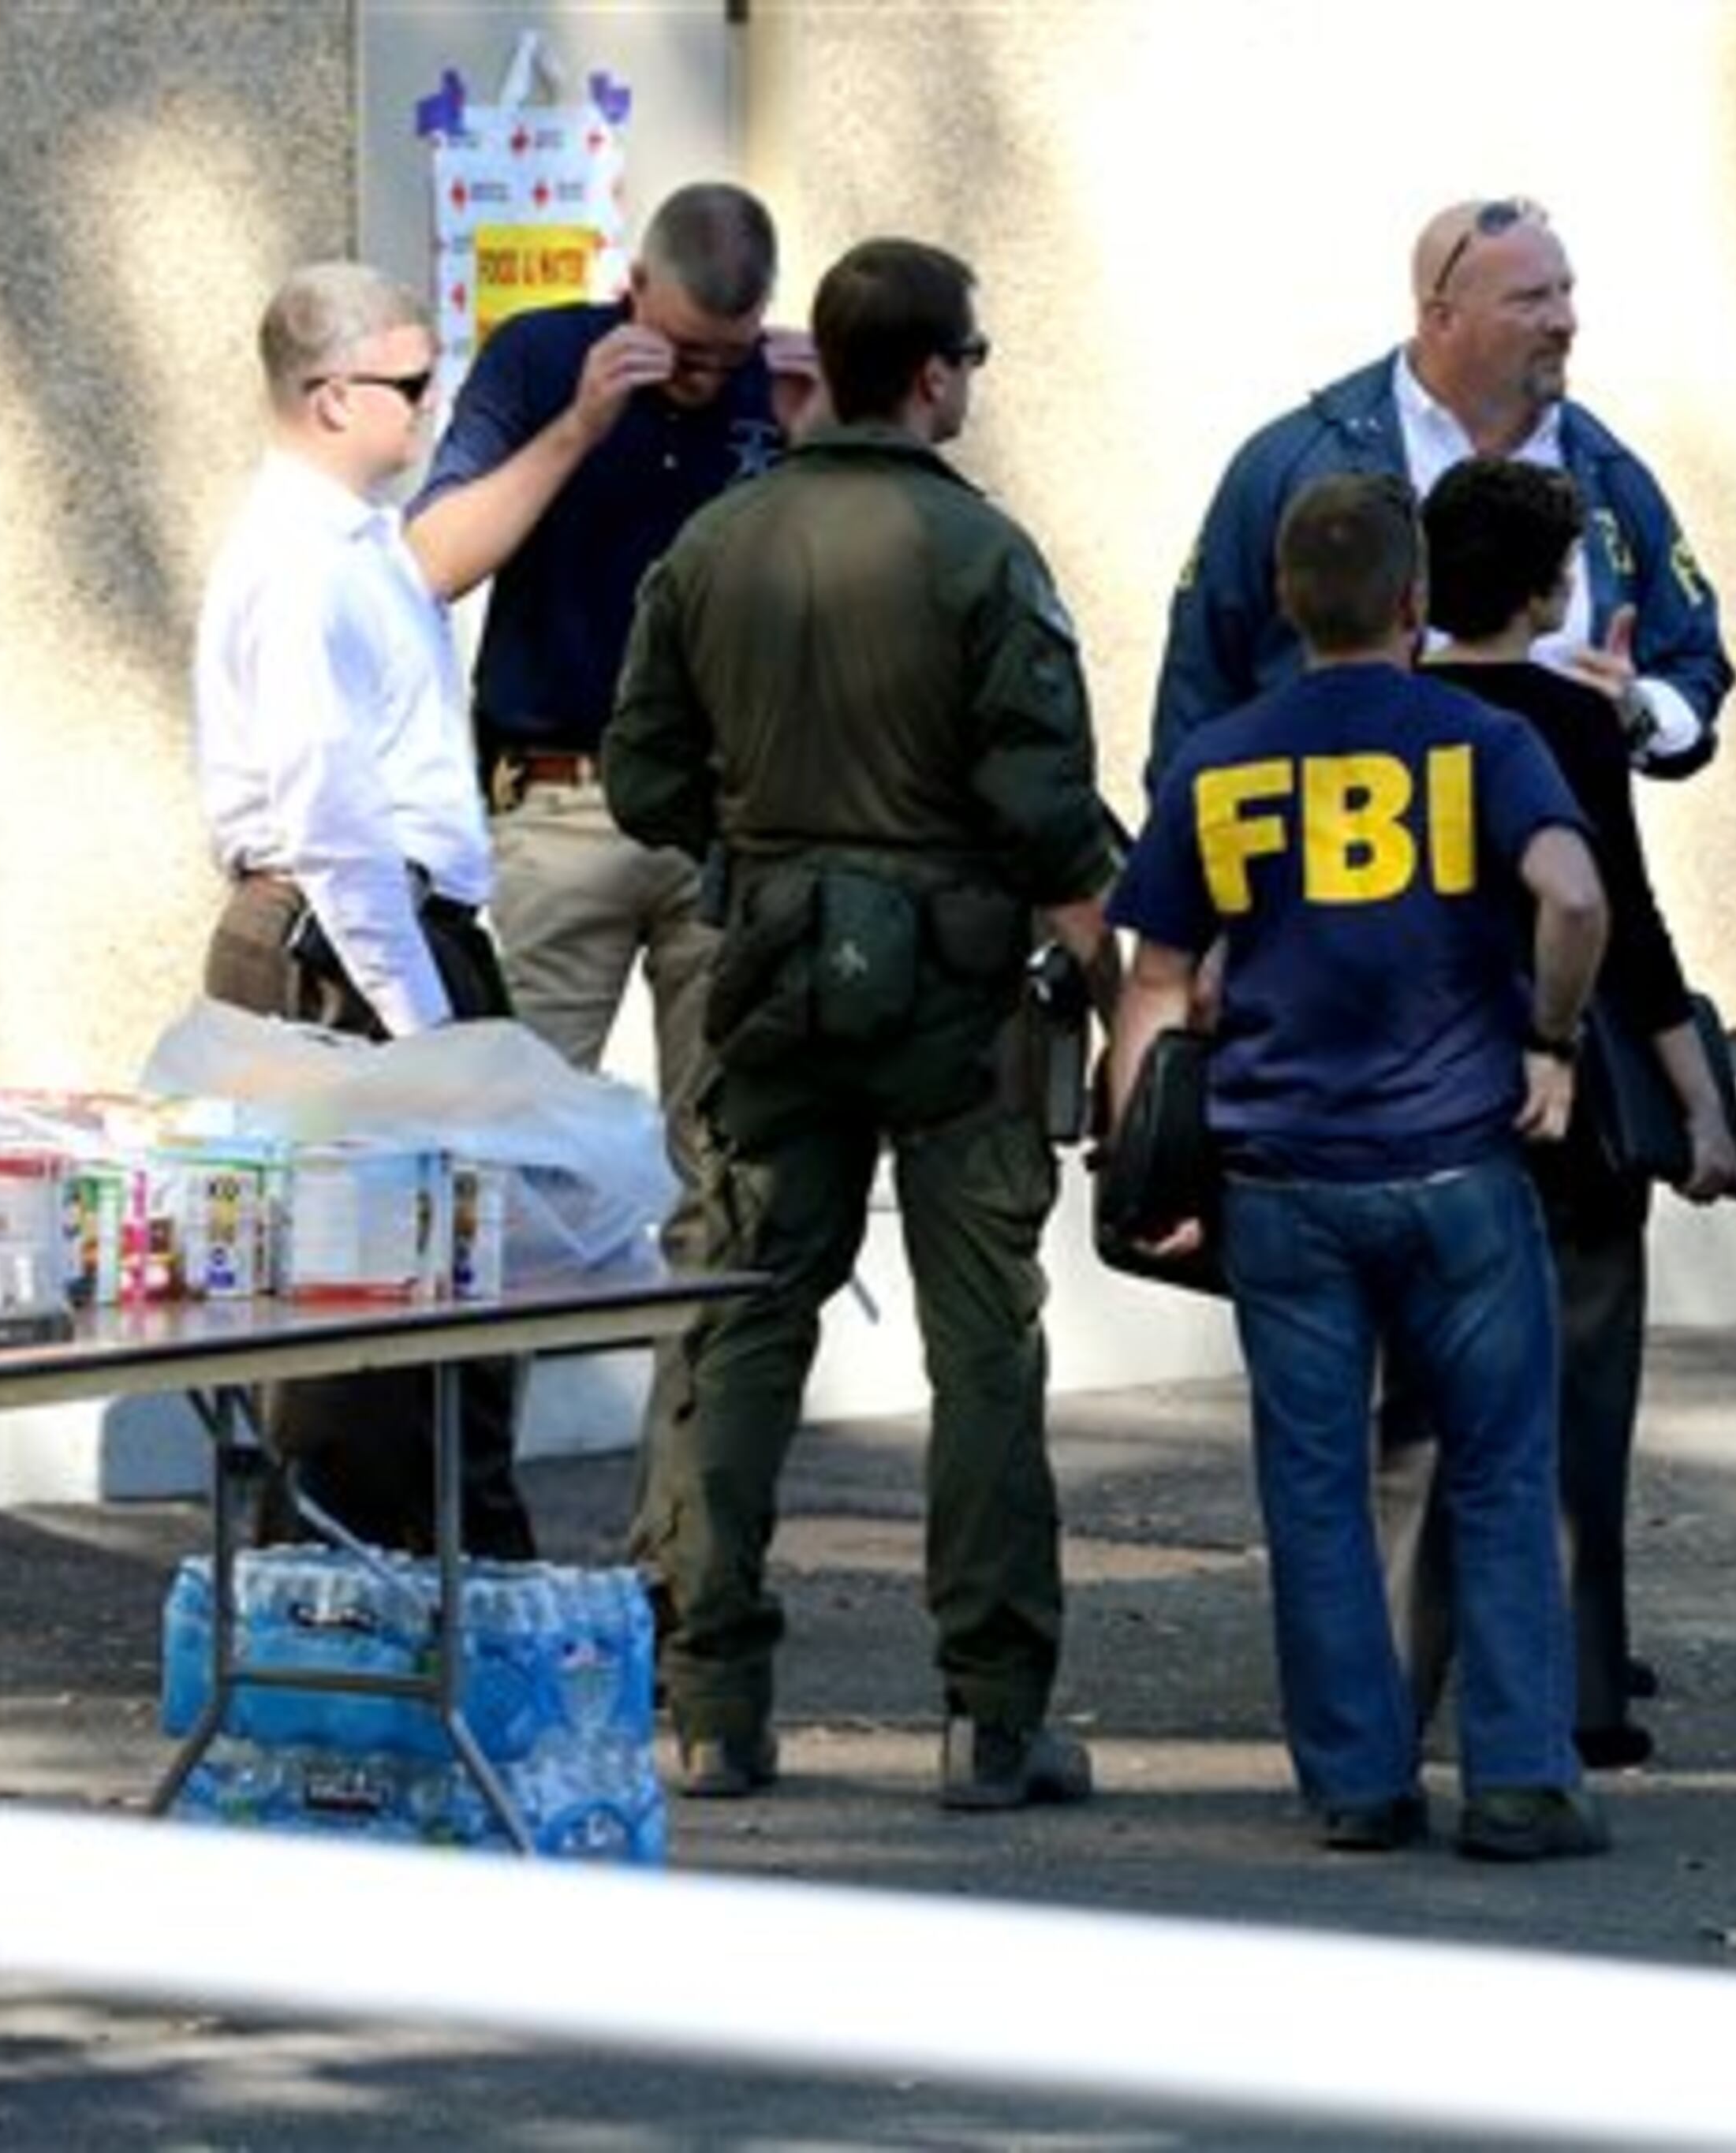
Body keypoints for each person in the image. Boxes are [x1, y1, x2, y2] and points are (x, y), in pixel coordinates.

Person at [604, 237, 1122, 1812]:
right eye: (971, 360)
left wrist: (762, 854)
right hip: (955, 994)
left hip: (764, 972)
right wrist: (1116, 971)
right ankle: (989, 1714)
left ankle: (712, 1705)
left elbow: (641, 779)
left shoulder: (715, 541)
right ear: (936, 371)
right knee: (982, 1347)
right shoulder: (982, 556)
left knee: (745, 1320)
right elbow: (1044, 811)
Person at [1106, 472, 1615, 1863]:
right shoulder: (1478, 742)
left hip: (1283, 1182)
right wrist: (1551, 1041)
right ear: (1411, 602)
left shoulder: (1222, 762)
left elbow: (1152, 982)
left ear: (1284, 602)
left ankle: (1358, 1785)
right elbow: (1571, 894)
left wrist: (1140, 1162)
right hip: (1458, 1165)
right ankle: (1518, 1781)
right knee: (1502, 1471)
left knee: (1314, 1484)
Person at [408, 181, 814, 1587]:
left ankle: (678, 1570)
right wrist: (586, 419)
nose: (706, 380)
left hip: (725, 822)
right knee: (503, 1181)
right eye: (686, 349)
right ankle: (481, 1545)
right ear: (632, 288)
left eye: (729, 353)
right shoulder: (539, 357)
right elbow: (428, 566)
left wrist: (818, 445)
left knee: (726, 1187)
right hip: (558, 802)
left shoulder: (785, 391)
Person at [1380, 458, 1736, 1772]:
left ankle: (1395, 1689)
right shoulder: (1574, 722)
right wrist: (1700, 1105)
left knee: (1421, 1405)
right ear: (1551, 590)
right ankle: (1584, 1689)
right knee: (1580, 1396)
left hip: (1416, 1085)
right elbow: (1623, 925)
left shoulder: (1389, 711)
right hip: (1569, 1088)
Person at [191, 261, 532, 1559]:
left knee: (438, 1326)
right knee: (363, 1349)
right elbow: (331, 818)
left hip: (388, 934)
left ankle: (437, 1602)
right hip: (346, 949)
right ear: (333, 398)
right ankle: (353, 1631)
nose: (430, 411)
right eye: (410, 386)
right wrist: (425, 1029)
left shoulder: (355, 545)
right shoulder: (301, 562)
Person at [1147, 196, 1732, 792]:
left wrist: (1642, 713)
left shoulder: (1607, 472)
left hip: (1557, 867)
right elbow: (1199, 687)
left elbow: (1694, 661)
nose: (1565, 320)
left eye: (1565, 291)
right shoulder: (1294, 467)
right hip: (1341, 865)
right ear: (1441, 318)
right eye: (1530, 299)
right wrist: (1183, 866)